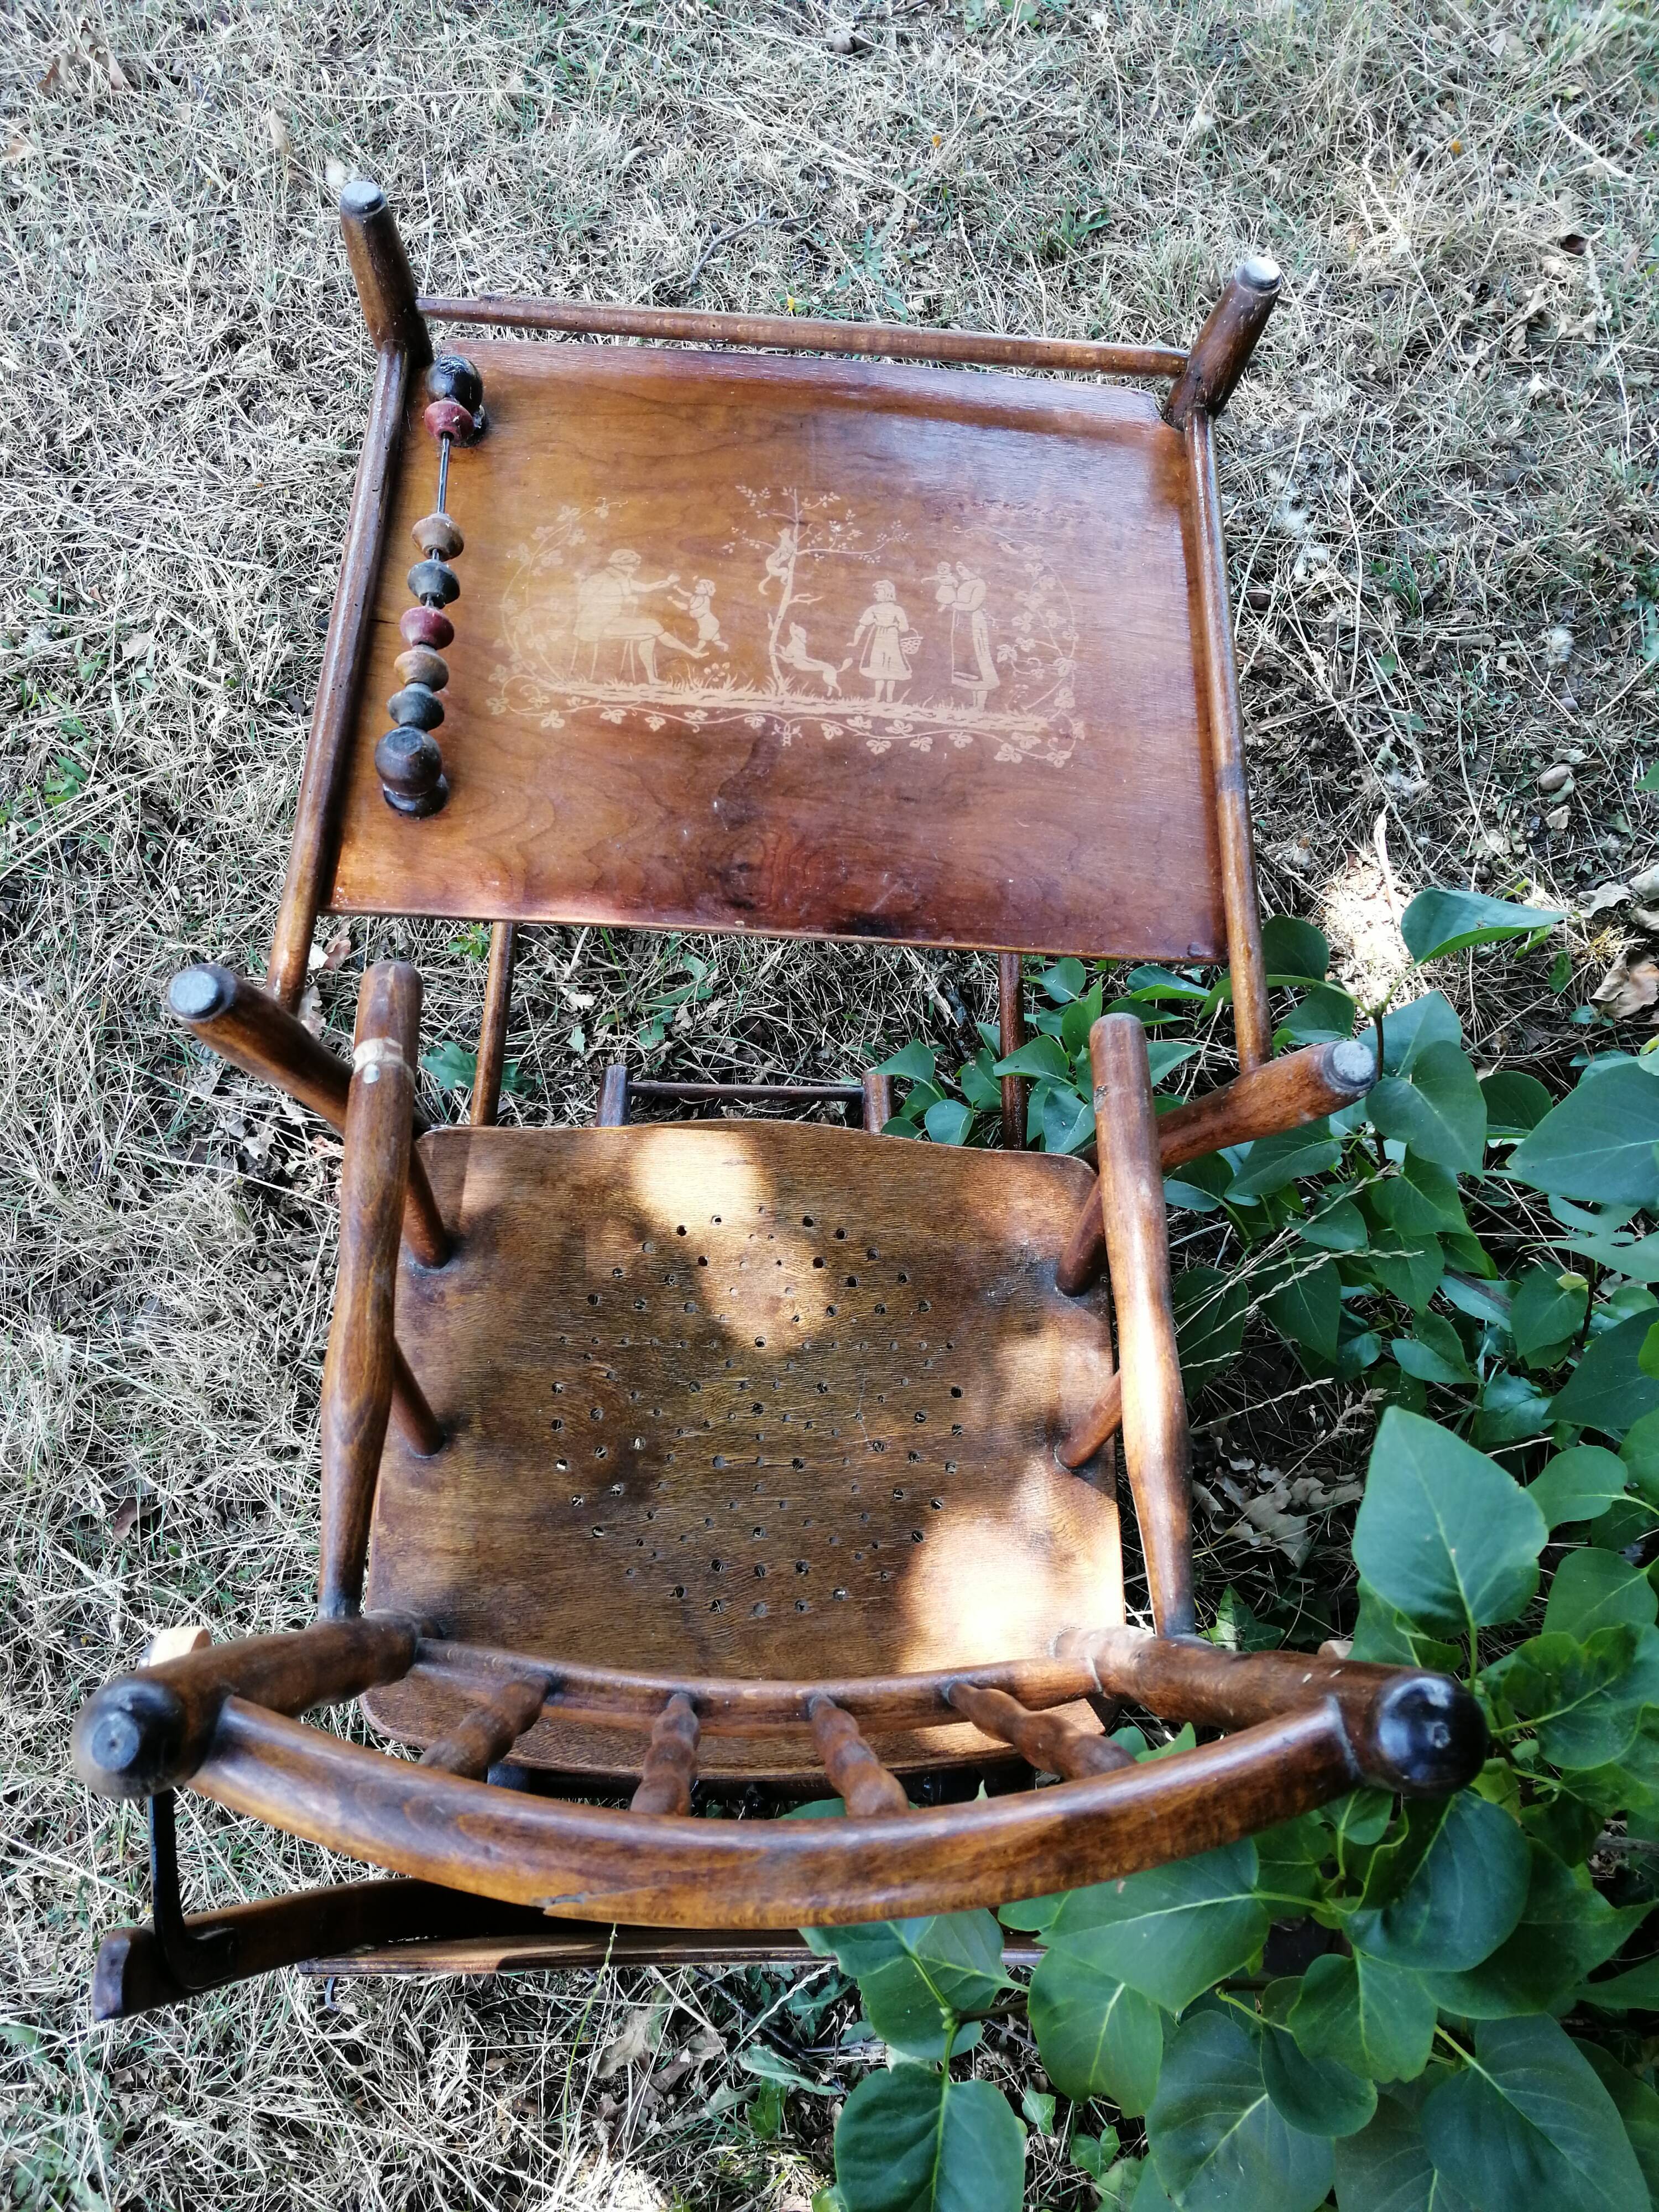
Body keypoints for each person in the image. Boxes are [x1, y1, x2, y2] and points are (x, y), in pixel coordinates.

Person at [572, 550, 697, 683]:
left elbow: (647, 588)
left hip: (610, 622)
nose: (635, 569)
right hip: (596, 625)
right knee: (652, 625)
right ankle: (691, 652)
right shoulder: (598, 579)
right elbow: (582, 599)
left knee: (649, 635)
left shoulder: (623, 580)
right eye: (633, 566)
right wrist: (605, 606)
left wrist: (668, 582)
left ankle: (652, 678)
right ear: (620, 564)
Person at [935, 561, 999, 708]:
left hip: (974, 623)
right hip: (962, 624)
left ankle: (980, 706)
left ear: (974, 569)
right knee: (965, 660)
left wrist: (952, 604)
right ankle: (973, 705)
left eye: (963, 570)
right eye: (959, 570)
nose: (961, 573)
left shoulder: (979, 584)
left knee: (978, 659)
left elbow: (972, 605)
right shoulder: (965, 583)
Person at [852, 579, 913, 703]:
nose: (875, 595)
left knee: (886, 668)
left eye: (878, 592)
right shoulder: (890, 610)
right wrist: (855, 642)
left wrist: (855, 642)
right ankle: (882, 697)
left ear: (888, 594)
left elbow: (863, 626)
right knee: (885, 668)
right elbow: (904, 628)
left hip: (887, 640)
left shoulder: (882, 609)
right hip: (883, 640)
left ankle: (886, 697)